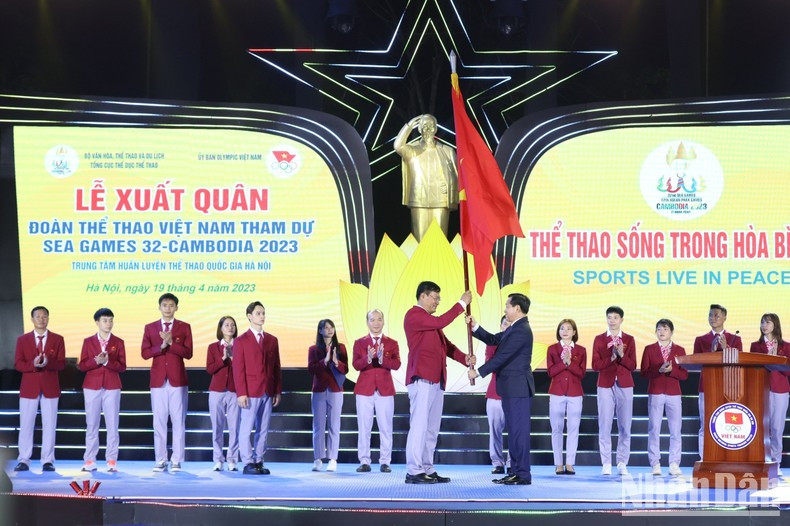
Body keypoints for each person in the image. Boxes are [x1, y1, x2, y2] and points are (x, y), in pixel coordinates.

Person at [403, 281, 474, 484]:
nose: (437, 302)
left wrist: (464, 358)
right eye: (435, 297)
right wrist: (462, 303)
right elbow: (441, 321)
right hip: (421, 378)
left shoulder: (431, 323)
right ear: (423, 296)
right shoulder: (414, 315)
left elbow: (447, 347)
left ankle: (427, 467)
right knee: (419, 426)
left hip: (437, 379)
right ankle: (414, 470)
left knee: (432, 428)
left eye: (439, 298)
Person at [468, 293, 535, 486]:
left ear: (517, 308)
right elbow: (493, 339)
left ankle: (522, 474)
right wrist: (475, 326)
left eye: (507, 306)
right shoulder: (514, 328)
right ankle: (515, 471)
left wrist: (478, 372)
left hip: (518, 388)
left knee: (519, 433)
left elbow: (502, 356)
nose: (505, 309)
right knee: (514, 432)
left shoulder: (522, 330)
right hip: (510, 389)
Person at [141, 293, 193, 472]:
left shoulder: (184, 327)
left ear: (176, 307)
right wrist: (161, 347)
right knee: (159, 421)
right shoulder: (150, 327)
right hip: (158, 380)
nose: (168, 308)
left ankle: (176, 459)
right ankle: (160, 459)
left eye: (171, 305)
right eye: (165, 305)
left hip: (178, 380)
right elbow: (145, 353)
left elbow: (188, 353)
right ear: (159, 307)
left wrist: (171, 343)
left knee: (178, 421)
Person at [14, 306, 66, 472]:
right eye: (38, 316)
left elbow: (61, 364)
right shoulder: (23, 340)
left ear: (48, 318)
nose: (41, 319)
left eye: (44, 316)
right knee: (26, 424)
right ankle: (24, 459)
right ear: (32, 319)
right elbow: (18, 364)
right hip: (29, 388)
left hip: (50, 387)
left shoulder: (58, 339)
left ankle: (47, 460)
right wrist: (33, 364)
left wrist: (48, 363)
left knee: (50, 424)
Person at [233, 301, 282, 475]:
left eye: (263, 313)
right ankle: (247, 462)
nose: (262, 316)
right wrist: (241, 393)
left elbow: (276, 367)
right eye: (258, 313)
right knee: (246, 428)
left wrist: (277, 390)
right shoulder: (241, 341)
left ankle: (259, 460)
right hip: (250, 392)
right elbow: (238, 369)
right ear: (249, 316)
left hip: (268, 390)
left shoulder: (272, 340)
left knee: (263, 428)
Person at [394, 114, 458, 241]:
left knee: (439, 241)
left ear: (436, 129)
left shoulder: (447, 151)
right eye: (424, 126)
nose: (428, 129)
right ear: (419, 129)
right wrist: (409, 126)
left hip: (441, 200)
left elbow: (457, 175)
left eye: (431, 126)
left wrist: (452, 191)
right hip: (419, 199)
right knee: (420, 241)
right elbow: (398, 146)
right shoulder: (413, 150)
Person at [78, 308, 126, 473]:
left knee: (112, 424)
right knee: (92, 424)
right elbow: (82, 365)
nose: (108, 323)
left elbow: (122, 367)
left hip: (112, 386)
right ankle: (90, 460)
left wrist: (106, 362)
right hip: (92, 386)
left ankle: (111, 460)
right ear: (97, 322)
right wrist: (96, 361)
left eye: (111, 320)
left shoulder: (118, 342)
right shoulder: (88, 341)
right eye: (105, 320)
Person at [352, 309, 401, 473]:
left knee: (385, 427)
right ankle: (364, 461)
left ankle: (385, 461)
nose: (376, 323)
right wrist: (367, 358)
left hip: (385, 390)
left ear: (383, 321)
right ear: (367, 322)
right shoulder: (359, 342)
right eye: (372, 320)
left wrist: (382, 359)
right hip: (364, 390)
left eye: (379, 319)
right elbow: (355, 365)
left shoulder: (392, 343)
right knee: (364, 427)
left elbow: (397, 364)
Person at [693, 304, 742, 459]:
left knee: (727, 423)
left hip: (728, 387)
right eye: (710, 315)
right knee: (705, 423)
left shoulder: (735, 339)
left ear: (724, 317)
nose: (712, 318)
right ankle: (704, 458)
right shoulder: (700, 340)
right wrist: (712, 351)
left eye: (716, 315)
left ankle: (726, 457)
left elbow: (739, 361)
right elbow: (696, 362)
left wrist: (726, 347)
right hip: (706, 387)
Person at [592, 306, 636, 476]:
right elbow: (595, 365)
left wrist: (622, 355)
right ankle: (606, 463)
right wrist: (611, 358)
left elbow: (633, 365)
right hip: (605, 384)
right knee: (605, 425)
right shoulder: (599, 339)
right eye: (609, 317)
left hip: (625, 384)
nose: (612, 320)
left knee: (625, 426)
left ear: (621, 320)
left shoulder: (629, 339)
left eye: (615, 317)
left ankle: (622, 462)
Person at [640, 319, 687, 477]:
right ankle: (655, 463)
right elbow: (644, 373)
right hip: (656, 392)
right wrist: (658, 370)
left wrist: (672, 371)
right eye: (659, 329)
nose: (662, 332)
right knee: (654, 428)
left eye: (665, 329)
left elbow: (684, 375)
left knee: (675, 429)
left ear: (671, 332)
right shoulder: (649, 349)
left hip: (674, 393)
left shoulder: (680, 350)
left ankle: (674, 463)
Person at [749, 313, 789, 477]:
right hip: (761, 391)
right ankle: (761, 462)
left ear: (775, 325)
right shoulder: (755, 346)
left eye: (768, 322)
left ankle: (776, 462)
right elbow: (752, 370)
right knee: (761, 428)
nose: (764, 325)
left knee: (777, 428)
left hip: (780, 390)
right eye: (762, 322)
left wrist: (776, 360)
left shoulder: (786, 347)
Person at [546, 318, 586, 476]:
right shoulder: (552, 349)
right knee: (557, 428)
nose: (565, 331)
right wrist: (564, 363)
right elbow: (551, 372)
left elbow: (581, 373)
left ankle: (570, 463)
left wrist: (570, 363)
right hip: (557, 392)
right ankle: (558, 463)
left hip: (575, 392)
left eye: (569, 328)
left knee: (573, 428)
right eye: (562, 328)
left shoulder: (581, 350)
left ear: (574, 332)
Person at [308, 319, 349, 472]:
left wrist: (336, 362)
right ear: (320, 331)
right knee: (318, 426)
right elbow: (311, 369)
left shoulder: (341, 348)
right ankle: (318, 458)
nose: (330, 330)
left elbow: (346, 369)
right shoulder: (313, 349)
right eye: (326, 327)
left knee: (334, 425)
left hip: (336, 389)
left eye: (332, 327)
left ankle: (333, 459)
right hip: (319, 390)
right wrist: (324, 361)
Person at [206, 316, 241, 472]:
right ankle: (218, 459)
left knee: (234, 427)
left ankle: (232, 459)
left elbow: (244, 368)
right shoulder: (213, 347)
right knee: (217, 427)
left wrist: (233, 358)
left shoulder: (240, 346)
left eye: (232, 325)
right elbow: (210, 369)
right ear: (220, 328)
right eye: (226, 325)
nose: (230, 327)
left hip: (235, 391)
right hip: (217, 391)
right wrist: (223, 359)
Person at [485, 316, 511, 475]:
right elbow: (490, 364)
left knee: (514, 430)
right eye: (505, 323)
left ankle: (513, 462)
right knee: (494, 430)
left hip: (514, 393)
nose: (507, 326)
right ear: (501, 326)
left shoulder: (520, 341)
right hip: (495, 392)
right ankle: (497, 462)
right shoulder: (492, 342)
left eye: (510, 324)